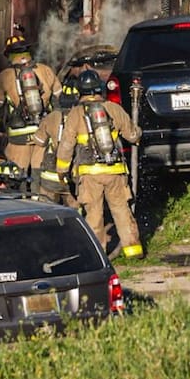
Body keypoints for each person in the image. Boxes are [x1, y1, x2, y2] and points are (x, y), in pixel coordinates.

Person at [55, 69, 143, 259]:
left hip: (89, 175)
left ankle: (99, 256)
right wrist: (139, 131)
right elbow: (132, 135)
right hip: (115, 171)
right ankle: (133, 250)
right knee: (121, 210)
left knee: (94, 215)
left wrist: (62, 170)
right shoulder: (114, 109)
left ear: (80, 91)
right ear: (99, 89)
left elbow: (66, 146)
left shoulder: (75, 114)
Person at [0, 31, 60, 187]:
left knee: (16, 179)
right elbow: (60, 100)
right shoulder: (45, 70)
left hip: (18, 139)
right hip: (43, 134)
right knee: (39, 179)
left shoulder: (5, 76)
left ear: (9, 56)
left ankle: (21, 207)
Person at [32, 76, 81, 208]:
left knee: (47, 211)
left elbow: (39, 141)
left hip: (50, 178)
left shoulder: (52, 116)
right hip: (73, 177)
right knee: (76, 210)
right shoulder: (82, 116)